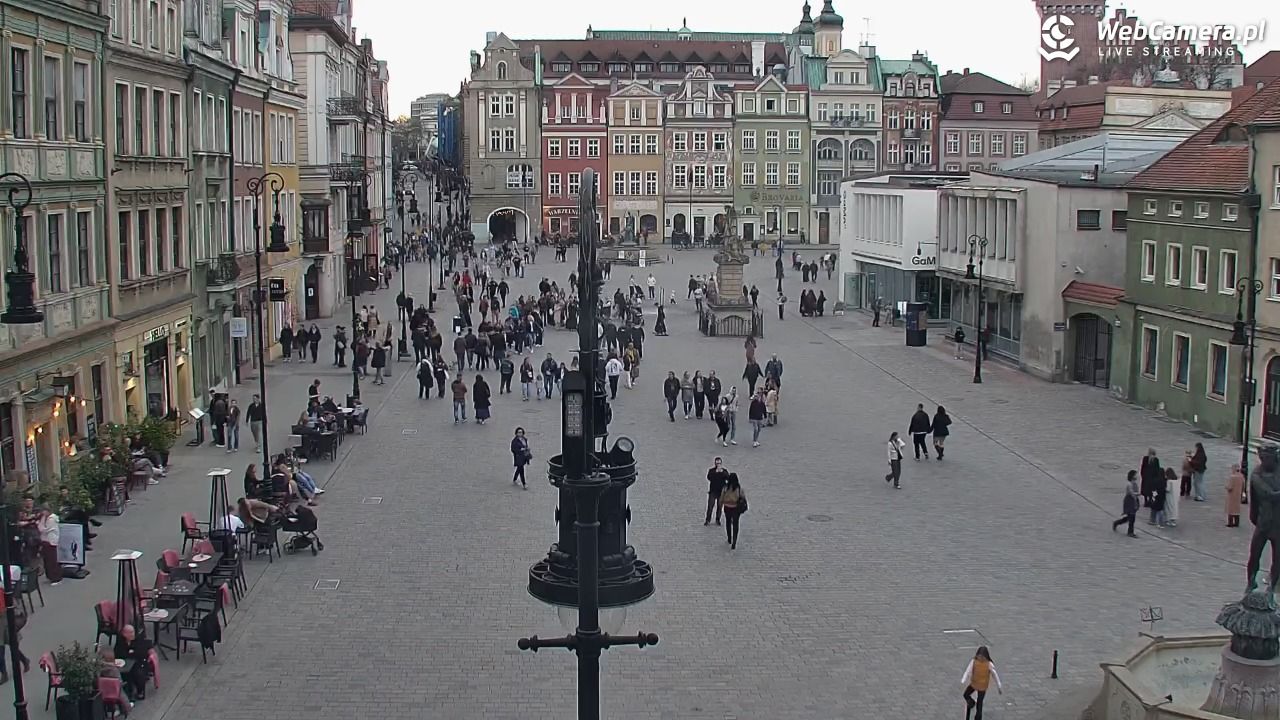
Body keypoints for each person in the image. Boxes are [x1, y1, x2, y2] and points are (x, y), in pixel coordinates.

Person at [960, 646, 1003, 720]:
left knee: (979, 704)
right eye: (979, 656)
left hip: (982, 687)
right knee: (966, 694)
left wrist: (999, 686)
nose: (980, 658)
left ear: (985, 656)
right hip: (974, 683)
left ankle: (978, 718)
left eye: (982, 657)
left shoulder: (989, 664)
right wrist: (963, 680)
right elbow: (968, 670)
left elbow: (995, 675)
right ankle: (971, 703)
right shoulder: (974, 661)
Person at [113, 624, 154, 700]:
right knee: (124, 673)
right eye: (130, 632)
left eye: (133, 632)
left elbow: (141, 653)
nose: (132, 634)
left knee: (138, 673)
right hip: (125, 663)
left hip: (138, 663)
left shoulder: (138, 640)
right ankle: (128, 691)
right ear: (124, 634)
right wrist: (130, 653)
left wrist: (130, 653)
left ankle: (140, 691)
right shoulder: (120, 642)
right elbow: (118, 653)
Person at [719, 473, 746, 549]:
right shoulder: (739, 488)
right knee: (735, 524)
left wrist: (720, 506)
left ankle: (729, 538)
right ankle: (734, 541)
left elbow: (721, 497)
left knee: (728, 522)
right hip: (736, 508)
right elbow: (742, 497)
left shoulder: (725, 488)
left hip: (727, 507)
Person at [1112, 470, 1140, 537]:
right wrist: (1138, 494)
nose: (1137, 476)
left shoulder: (1135, 484)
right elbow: (1131, 493)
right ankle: (1130, 532)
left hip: (1134, 500)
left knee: (1129, 517)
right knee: (1132, 517)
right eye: (1136, 474)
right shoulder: (1129, 484)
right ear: (1132, 476)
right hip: (1129, 501)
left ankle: (1117, 523)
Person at [705, 458, 729, 525]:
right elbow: (709, 477)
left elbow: (728, 478)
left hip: (721, 492)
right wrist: (716, 472)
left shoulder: (724, 471)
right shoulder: (711, 471)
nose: (718, 465)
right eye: (717, 463)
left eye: (719, 463)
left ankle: (718, 519)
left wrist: (722, 472)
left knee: (719, 506)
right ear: (715, 463)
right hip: (713, 491)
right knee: (710, 506)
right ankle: (708, 520)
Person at [1226, 463, 1245, 527]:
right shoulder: (1241, 476)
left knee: (1231, 509)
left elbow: (1230, 487)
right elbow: (1243, 486)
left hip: (1232, 495)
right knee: (1237, 509)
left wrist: (1226, 487)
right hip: (1238, 494)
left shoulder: (1232, 477)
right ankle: (1237, 522)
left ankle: (1230, 523)